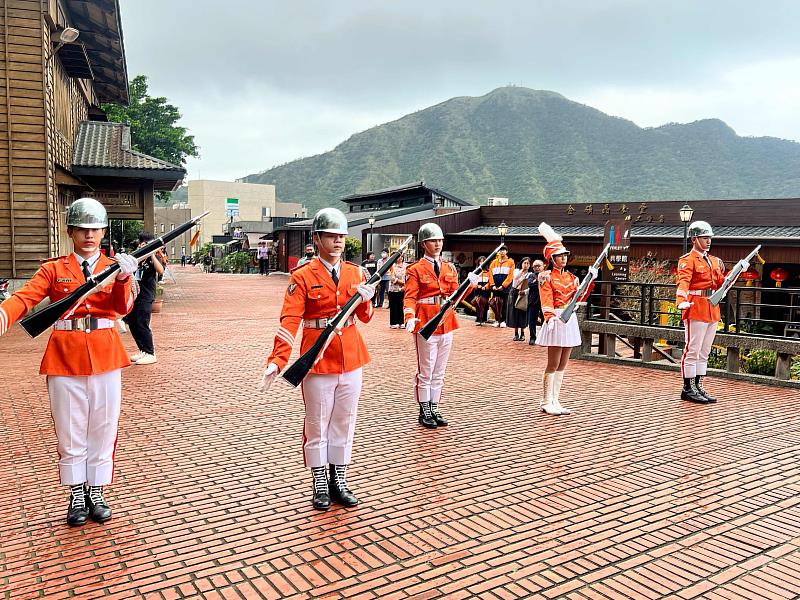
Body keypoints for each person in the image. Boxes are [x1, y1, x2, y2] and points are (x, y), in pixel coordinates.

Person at [0, 198, 138, 526]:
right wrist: (2, 316)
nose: (89, 235)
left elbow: (124, 308)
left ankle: (97, 489)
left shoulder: (115, 265)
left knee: (103, 426)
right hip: (64, 352)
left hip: (105, 352)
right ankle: (76, 492)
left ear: (104, 231)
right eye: (82, 229)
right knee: (69, 427)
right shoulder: (55, 269)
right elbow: (25, 298)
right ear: (71, 231)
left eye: (95, 229)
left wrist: (123, 278)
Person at [260, 207, 375, 511]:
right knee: (317, 423)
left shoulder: (355, 272)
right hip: (317, 358)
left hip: (351, 355)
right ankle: (320, 480)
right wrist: (277, 359)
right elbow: (289, 320)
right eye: (332, 236)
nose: (338, 241)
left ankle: (339, 477)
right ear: (317, 238)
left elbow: (365, 318)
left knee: (344, 421)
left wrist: (367, 300)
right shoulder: (303, 276)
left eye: (341, 236)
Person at [403, 223, 478, 429]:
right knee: (425, 371)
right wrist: (409, 316)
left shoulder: (449, 267)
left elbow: (457, 297)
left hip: (446, 321)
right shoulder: (415, 269)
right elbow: (410, 297)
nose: (437, 244)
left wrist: (469, 285)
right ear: (423, 244)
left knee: (440, 371)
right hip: (425, 321)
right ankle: (424, 409)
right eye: (433, 241)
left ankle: (434, 407)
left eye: (440, 240)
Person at [535, 223, 595, 416]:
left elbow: (580, 298)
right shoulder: (545, 277)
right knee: (553, 363)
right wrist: (549, 317)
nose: (564, 258)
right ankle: (546, 401)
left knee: (563, 364)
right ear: (551, 258)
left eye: (565, 255)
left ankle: (556, 400)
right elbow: (546, 299)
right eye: (560, 255)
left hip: (569, 319)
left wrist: (590, 280)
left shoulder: (572, 277)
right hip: (556, 319)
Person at [676, 220, 730, 404]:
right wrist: (681, 300)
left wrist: (736, 272)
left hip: (711, 306)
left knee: (704, 351)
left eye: (709, 238)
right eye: (704, 237)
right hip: (695, 307)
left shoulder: (714, 261)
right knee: (692, 349)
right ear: (694, 239)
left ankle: (698, 386)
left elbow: (720, 282)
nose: (708, 241)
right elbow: (683, 282)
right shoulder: (687, 260)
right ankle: (688, 388)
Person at [124, 232, 165, 366]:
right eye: (144, 243)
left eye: (149, 243)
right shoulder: (136, 255)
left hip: (146, 294)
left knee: (142, 322)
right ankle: (142, 350)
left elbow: (161, 271)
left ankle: (150, 353)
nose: (147, 245)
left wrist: (151, 254)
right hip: (133, 294)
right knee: (132, 322)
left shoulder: (155, 256)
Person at [487, 246, 514, 327]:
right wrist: (492, 285)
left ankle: (504, 321)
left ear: (507, 252)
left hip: (505, 288)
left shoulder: (510, 262)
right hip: (495, 287)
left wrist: (503, 286)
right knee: (495, 304)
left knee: (505, 304)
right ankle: (497, 320)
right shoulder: (493, 262)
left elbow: (510, 276)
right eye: (500, 250)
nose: (502, 252)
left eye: (504, 250)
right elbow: (490, 275)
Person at [507, 256, 531, 341]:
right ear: (521, 264)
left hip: (523, 294)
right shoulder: (516, 271)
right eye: (524, 263)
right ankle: (516, 333)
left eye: (528, 263)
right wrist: (522, 271)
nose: (526, 265)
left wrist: (525, 292)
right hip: (515, 293)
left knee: (522, 313)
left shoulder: (530, 275)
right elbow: (515, 278)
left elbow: (530, 287)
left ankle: (523, 333)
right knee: (514, 313)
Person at [527, 259, 545, 345]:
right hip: (533, 300)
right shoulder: (531, 275)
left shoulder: (547, 275)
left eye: (539, 266)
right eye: (535, 266)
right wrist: (539, 280)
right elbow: (531, 285)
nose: (537, 268)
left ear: (543, 266)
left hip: (544, 300)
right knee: (532, 320)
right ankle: (532, 337)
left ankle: (544, 338)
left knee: (544, 320)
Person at [388, 253, 407, 328]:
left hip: (403, 289)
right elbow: (392, 278)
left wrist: (405, 285)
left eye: (401, 256)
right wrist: (402, 283)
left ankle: (401, 322)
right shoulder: (392, 266)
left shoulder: (406, 266)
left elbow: (408, 276)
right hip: (393, 289)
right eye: (398, 257)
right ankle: (393, 323)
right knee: (393, 306)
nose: (400, 258)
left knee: (401, 306)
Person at [472, 256, 491, 326]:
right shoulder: (476, 271)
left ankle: (484, 319)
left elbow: (490, 282)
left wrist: (485, 287)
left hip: (485, 290)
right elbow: (472, 282)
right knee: (477, 304)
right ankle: (478, 319)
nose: (482, 262)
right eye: (480, 261)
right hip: (477, 290)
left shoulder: (489, 271)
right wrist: (477, 286)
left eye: (483, 261)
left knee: (485, 304)